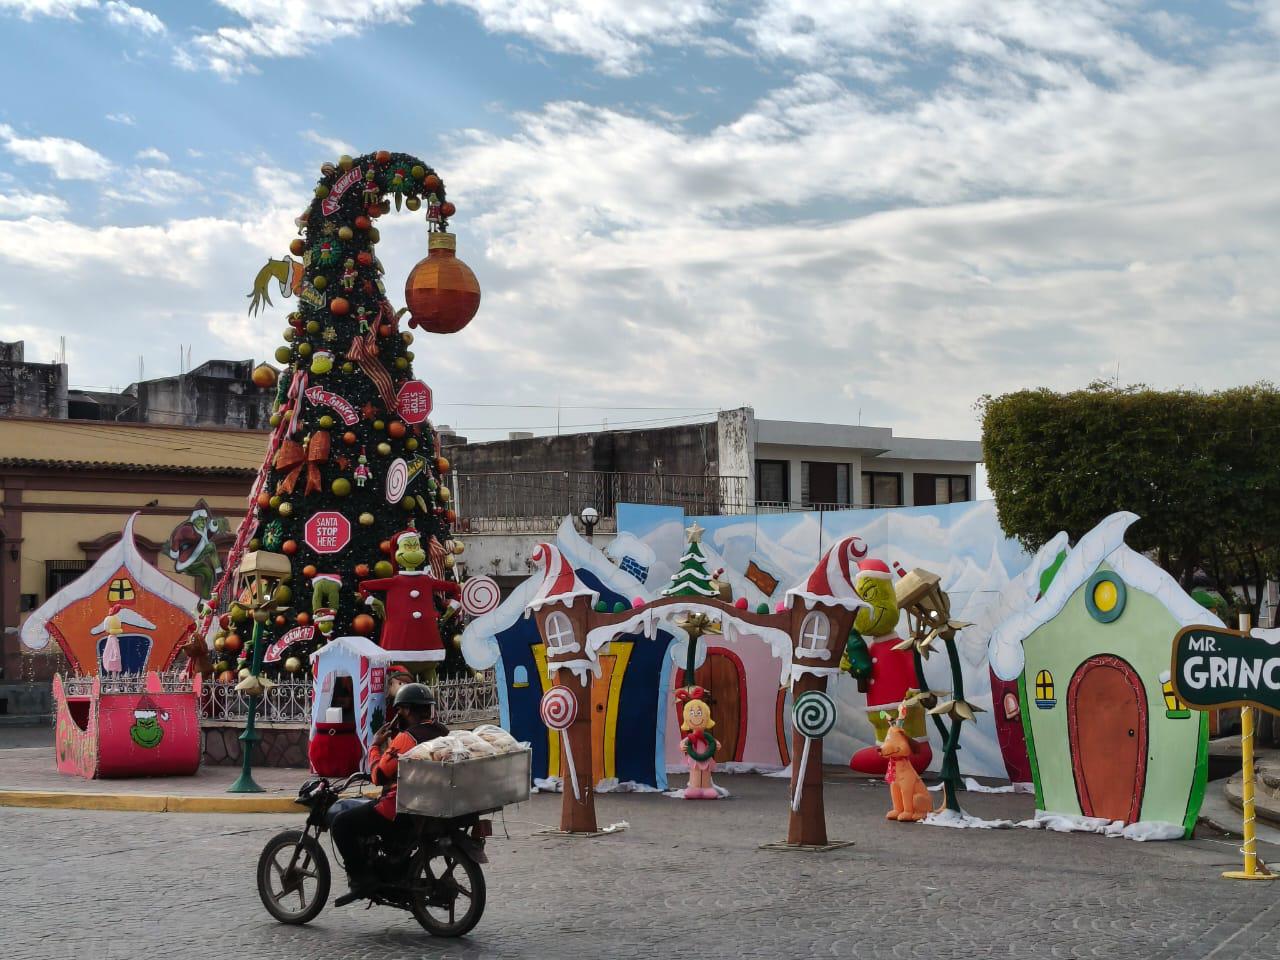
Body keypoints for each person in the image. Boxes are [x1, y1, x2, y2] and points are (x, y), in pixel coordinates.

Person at [331, 682, 449, 893]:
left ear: (408, 710)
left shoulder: (407, 738)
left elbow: (379, 775)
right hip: (431, 804)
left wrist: (375, 746)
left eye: (400, 710)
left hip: (400, 809)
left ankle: (360, 879)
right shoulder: (442, 731)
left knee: (341, 823)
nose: (398, 715)